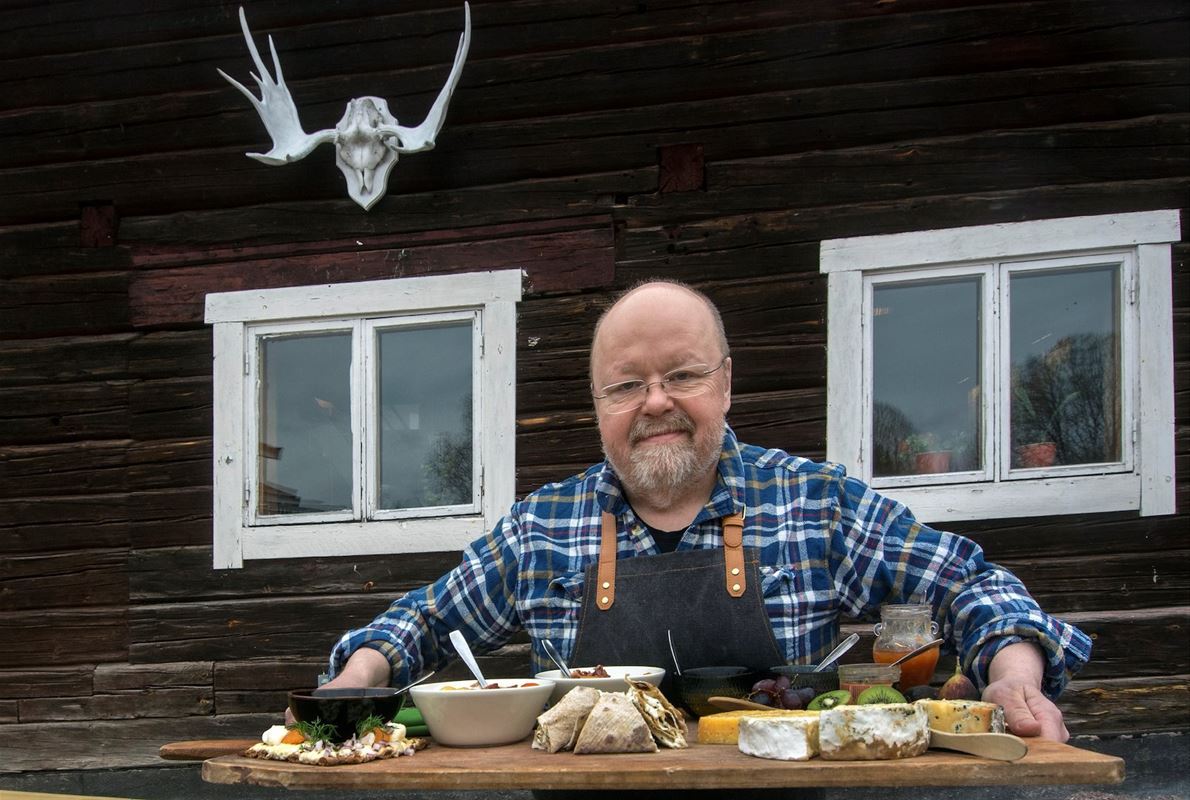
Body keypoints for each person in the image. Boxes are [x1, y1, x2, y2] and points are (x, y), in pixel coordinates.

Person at [321, 280, 1090, 742]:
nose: (655, 403)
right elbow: (423, 622)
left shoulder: (813, 502)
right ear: (598, 406)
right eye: (626, 385)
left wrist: (1011, 672)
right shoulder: (540, 529)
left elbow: (965, 583)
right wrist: (360, 676)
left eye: (681, 374)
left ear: (724, 384)